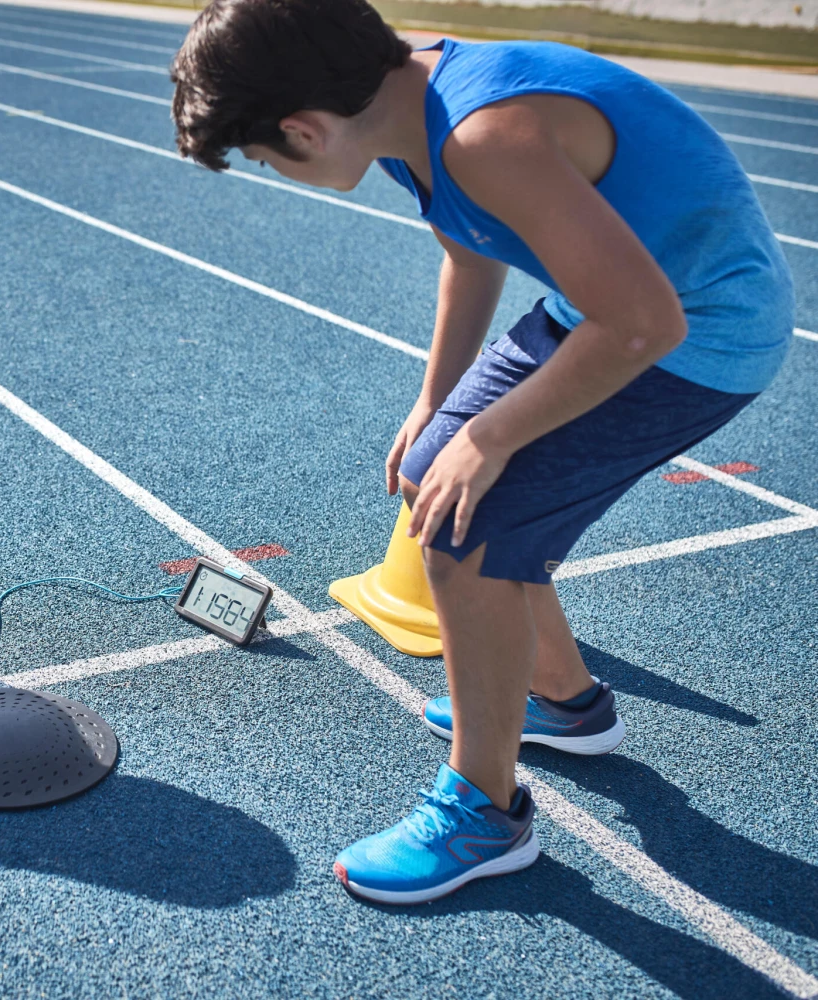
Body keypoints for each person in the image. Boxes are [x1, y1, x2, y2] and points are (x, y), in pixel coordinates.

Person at [171, 0, 792, 903]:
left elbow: (645, 323)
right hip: (607, 309)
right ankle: (566, 705)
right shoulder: (394, 101)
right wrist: (438, 405)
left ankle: (485, 814)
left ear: (303, 128)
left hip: (697, 338)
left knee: (465, 531)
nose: (275, 169)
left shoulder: (483, 133)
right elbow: (469, 252)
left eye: (266, 157)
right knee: (438, 478)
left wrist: (490, 436)